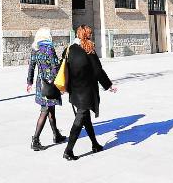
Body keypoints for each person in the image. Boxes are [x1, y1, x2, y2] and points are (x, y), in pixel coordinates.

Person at [63, 25, 117, 161]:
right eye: (90, 34)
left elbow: (62, 67)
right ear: (87, 36)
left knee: (85, 117)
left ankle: (95, 144)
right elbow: (98, 71)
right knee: (80, 118)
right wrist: (109, 85)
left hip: (74, 90)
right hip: (85, 91)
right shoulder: (89, 50)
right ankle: (68, 151)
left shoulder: (69, 49)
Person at [26, 27, 66, 151]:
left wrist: (29, 82)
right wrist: (59, 83)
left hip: (40, 83)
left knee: (50, 109)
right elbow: (55, 67)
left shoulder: (35, 49)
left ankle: (56, 135)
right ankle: (35, 140)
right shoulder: (49, 48)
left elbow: (31, 67)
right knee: (45, 110)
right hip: (50, 84)